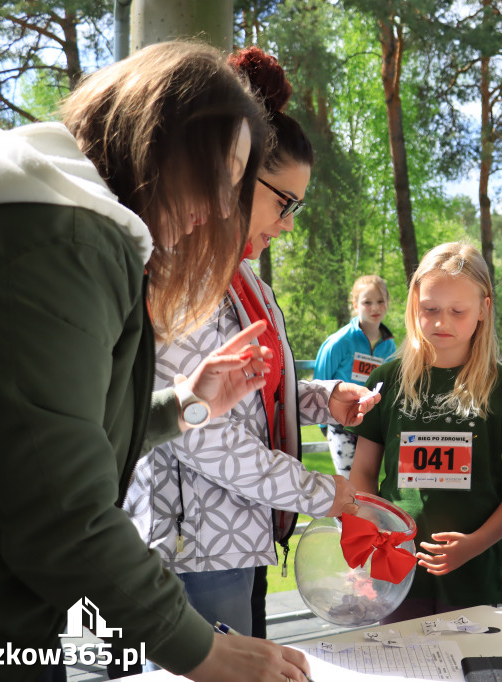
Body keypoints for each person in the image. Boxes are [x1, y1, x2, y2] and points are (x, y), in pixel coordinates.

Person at [0, 42, 313, 682]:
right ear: (165, 139)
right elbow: (59, 512)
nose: (222, 207)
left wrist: (185, 404)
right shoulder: (66, 242)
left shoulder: (37, 219)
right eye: (225, 174)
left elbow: (37, 430)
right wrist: (205, 650)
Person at [124, 47, 376, 650]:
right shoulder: (184, 282)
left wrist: (319, 397)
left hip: (241, 538)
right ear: (233, 175)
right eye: (283, 202)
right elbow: (202, 436)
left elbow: (248, 390)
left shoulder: (243, 282)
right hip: (190, 551)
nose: (288, 223)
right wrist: (321, 493)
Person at [348, 242, 502, 622]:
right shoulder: (386, 381)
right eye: (430, 309)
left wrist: (475, 545)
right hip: (396, 573)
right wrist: (377, 533)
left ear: (484, 309)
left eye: (458, 311)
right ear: (413, 306)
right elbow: (364, 473)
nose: (442, 323)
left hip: (472, 576)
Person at [314, 275, 397, 476]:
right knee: (349, 487)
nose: (375, 308)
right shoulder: (338, 343)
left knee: (368, 484)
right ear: (355, 304)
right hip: (341, 425)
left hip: (372, 427)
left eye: (380, 301)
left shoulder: (390, 346)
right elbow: (320, 382)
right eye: (367, 302)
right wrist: (324, 425)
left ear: (387, 303)